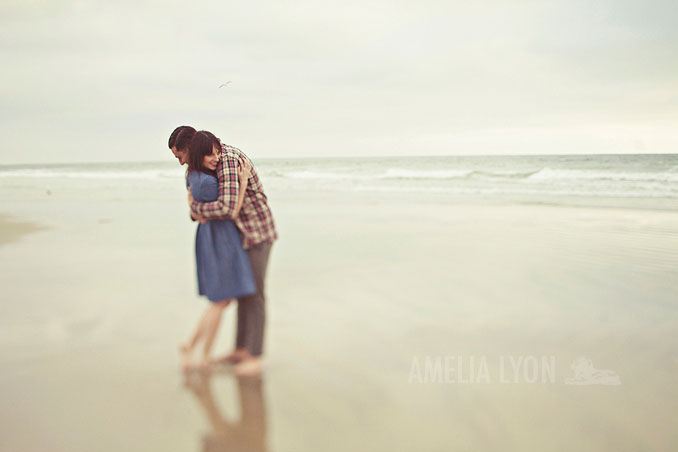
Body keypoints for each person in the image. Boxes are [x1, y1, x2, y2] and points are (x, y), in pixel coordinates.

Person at [168, 125, 278, 376]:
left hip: (256, 233)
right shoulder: (202, 165)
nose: (181, 162)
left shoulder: (227, 161)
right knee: (243, 292)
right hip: (238, 235)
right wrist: (195, 211)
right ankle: (242, 348)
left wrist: (196, 211)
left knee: (255, 294)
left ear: (191, 149)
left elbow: (228, 208)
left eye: (180, 155)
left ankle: (254, 355)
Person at [179, 130, 256, 370]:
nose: (215, 159)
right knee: (221, 300)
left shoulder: (193, 174)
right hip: (220, 238)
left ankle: (191, 345)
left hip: (213, 236)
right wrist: (242, 182)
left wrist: (194, 209)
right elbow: (230, 209)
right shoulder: (206, 181)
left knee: (221, 299)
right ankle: (202, 355)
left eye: (216, 153)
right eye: (209, 155)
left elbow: (194, 205)